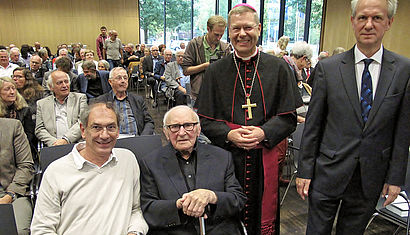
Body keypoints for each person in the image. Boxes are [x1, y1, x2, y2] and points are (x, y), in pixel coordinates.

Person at [296, 0, 410, 234]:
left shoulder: (403, 70)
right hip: (327, 171)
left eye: (377, 18)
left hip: (370, 177)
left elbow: (403, 130)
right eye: (362, 18)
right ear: (352, 21)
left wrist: (396, 178)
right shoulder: (329, 68)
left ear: (389, 22)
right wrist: (304, 171)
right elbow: (313, 125)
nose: (368, 25)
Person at [196, 4, 302, 234]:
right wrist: (229, 134)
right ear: (229, 32)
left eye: (248, 27)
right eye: (236, 29)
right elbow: (205, 119)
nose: (242, 34)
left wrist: (264, 132)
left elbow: (289, 118)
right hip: (227, 158)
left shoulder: (279, 68)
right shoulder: (215, 71)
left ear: (259, 29)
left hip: (264, 155)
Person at [31, 102, 149, 235]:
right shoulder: (56, 171)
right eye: (96, 127)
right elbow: (41, 229)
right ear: (83, 130)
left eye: (111, 127)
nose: (104, 135)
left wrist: (134, 232)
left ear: (118, 131)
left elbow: (135, 210)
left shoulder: (127, 160)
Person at [140, 105, 246, 234]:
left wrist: (212, 196)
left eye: (188, 125)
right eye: (174, 127)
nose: (182, 132)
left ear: (198, 129)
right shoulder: (150, 163)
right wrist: (179, 205)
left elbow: (238, 200)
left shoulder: (222, 157)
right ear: (166, 132)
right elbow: (149, 209)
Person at [181, 15, 231, 102]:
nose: (219, 38)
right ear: (208, 29)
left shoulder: (225, 47)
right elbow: (186, 71)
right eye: (216, 34)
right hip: (198, 95)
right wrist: (206, 66)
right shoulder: (194, 44)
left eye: (221, 35)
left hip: (219, 95)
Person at [94, 67, 154, 136]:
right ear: (110, 82)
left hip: (136, 140)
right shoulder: (101, 101)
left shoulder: (137, 100)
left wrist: (143, 138)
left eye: (125, 78)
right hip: (111, 142)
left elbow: (149, 122)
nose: (123, 81)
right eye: (119, 78)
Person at [0, 118, 34, 235]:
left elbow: (26, 165)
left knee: (17, 230)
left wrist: (10, 195)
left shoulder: (12, 127)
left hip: (12, 193)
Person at [35, 71, 87, 147]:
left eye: (66, 82)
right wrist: (54, 143)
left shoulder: (80, 98)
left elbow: (83, 122)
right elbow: (39, 129)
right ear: (51, 87)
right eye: (59, 83)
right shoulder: (42, 104)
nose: (64, 85)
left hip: (76, 144)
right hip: (53, 146)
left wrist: (66, 139)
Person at [0, 76, 36, 151]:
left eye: (13, 88)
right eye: (7, 89)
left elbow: (29, 136)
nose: (12, 92)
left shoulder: (24, 110)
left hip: (22, 149)